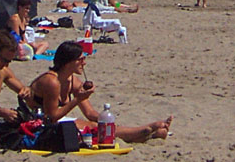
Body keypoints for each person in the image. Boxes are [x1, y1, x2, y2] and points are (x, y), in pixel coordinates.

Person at [26, 41, 171, 143]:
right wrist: (77, 100)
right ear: (69, 62)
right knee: (90, 127)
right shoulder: (52, 82)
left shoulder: (72, 81)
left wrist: (107, 121)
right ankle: (142, 131)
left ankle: (147, 134)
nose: (84, 63)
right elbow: (51, 117)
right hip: (36, 124)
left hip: (53, 123)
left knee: (97, 125)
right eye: (81, 59)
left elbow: (90, 113)